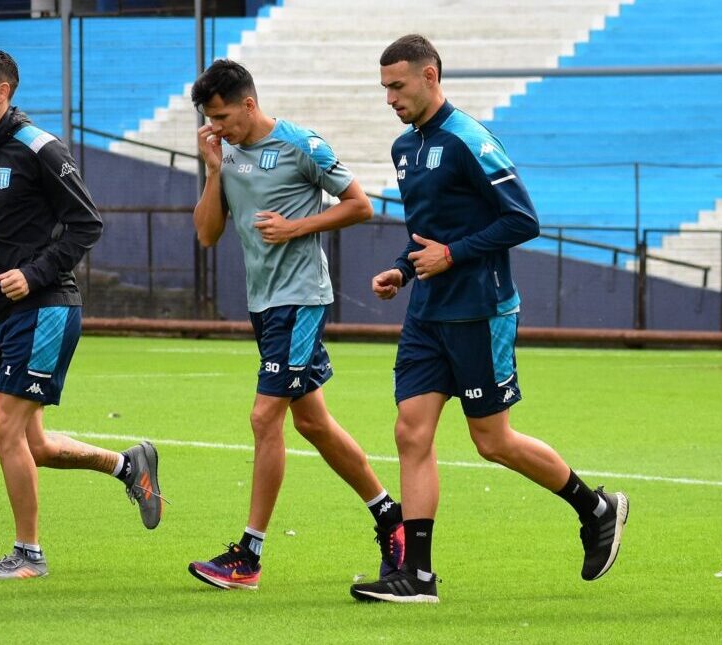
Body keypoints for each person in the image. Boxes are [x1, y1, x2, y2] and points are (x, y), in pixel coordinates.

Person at [349, 35, 629, 604]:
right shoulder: (406, 149)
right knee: (411, 432)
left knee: (492, 442)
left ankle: (595, 508)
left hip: (481, 310)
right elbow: (429, 231)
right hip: (427, 312)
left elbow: (524, 220)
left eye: (397, 86)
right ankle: (418, 576)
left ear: (430, 76)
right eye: (384, 88)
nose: (389, 99)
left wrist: (449, 256)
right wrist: (403, 269)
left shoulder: (470, 140)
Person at [187, 59, 404, 590]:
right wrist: (214, 169)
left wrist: (297, 226)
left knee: (266, 419)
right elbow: (207, 234)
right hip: (263, 305)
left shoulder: (301, 145)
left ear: (249, 104)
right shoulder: (227, 154)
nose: (217, 127)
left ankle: (249, 556)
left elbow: (361, 205)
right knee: (313, 424)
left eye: (222, 117)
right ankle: (389, 516)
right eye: (209, 119)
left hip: (300, 301)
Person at [0, 49, 163, 581]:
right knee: (35, 445)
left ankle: (29, 554)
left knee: (2, 430)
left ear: (3, 93)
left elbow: (86, 224)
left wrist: (35, 273)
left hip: (46, 309)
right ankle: (126, 465)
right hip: (5, 314)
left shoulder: (41, 148)